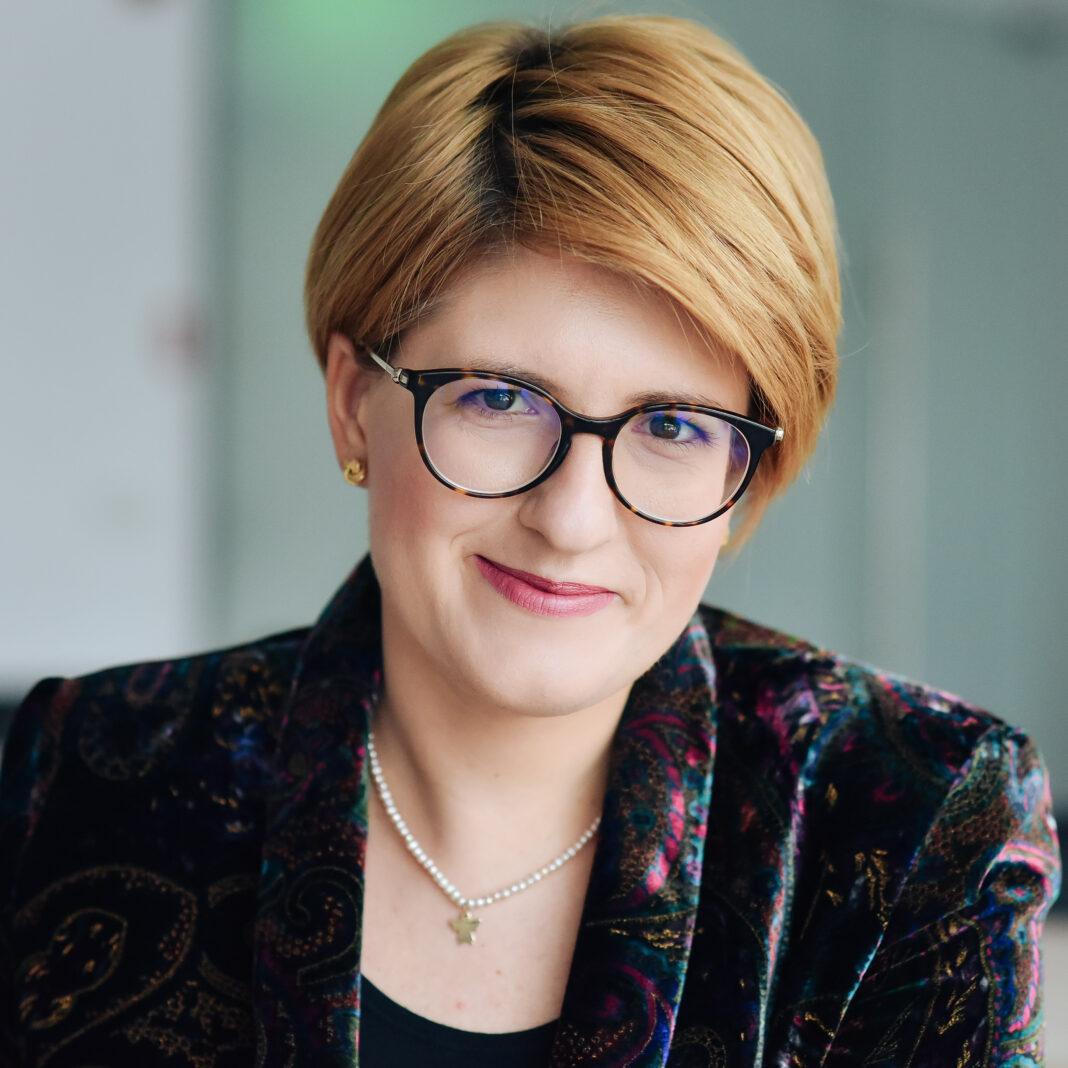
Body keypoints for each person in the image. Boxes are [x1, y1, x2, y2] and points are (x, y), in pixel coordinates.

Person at [0, 14, 1060, 1068]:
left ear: (748, 474)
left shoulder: (919, 823)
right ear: (353, 401)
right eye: (500, 399)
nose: (572, 519)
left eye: (673, 426)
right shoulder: (87, 776)